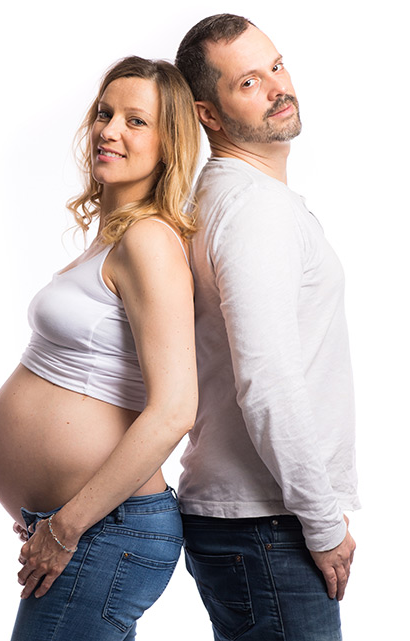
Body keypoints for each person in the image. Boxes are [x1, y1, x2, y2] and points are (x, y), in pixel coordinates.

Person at [0, 56, 201, 641]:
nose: (109, 130)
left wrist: (67, 525)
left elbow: (176, 408)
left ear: (169, 143)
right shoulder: (113, 239)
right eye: (105, 114)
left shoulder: (150, 241)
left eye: (136, 121)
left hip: (109, 529)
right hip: (89, 525)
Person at [173, 14, 360, 641]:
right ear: (209, 113)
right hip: (265, 521)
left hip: (255, 521)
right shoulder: (254, 210)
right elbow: (269, 380)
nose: (278, 87)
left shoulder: (235, 197)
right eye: (247, 82)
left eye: (276, 66)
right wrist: (322, 520)